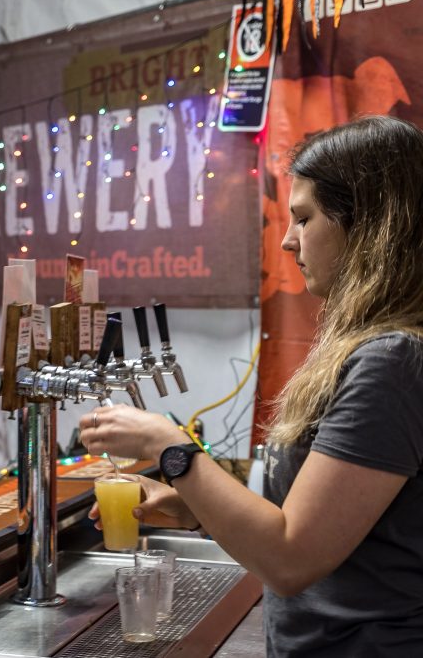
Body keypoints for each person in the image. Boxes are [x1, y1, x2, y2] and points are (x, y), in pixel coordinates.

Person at [79, 114, 423, 656]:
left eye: (304, 218)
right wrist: (198, 506)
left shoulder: (393, 361)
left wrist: (168, 446)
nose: (287, 240)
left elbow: (291, 559)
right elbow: (327, 520)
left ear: (369, 226)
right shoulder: (381, 349)